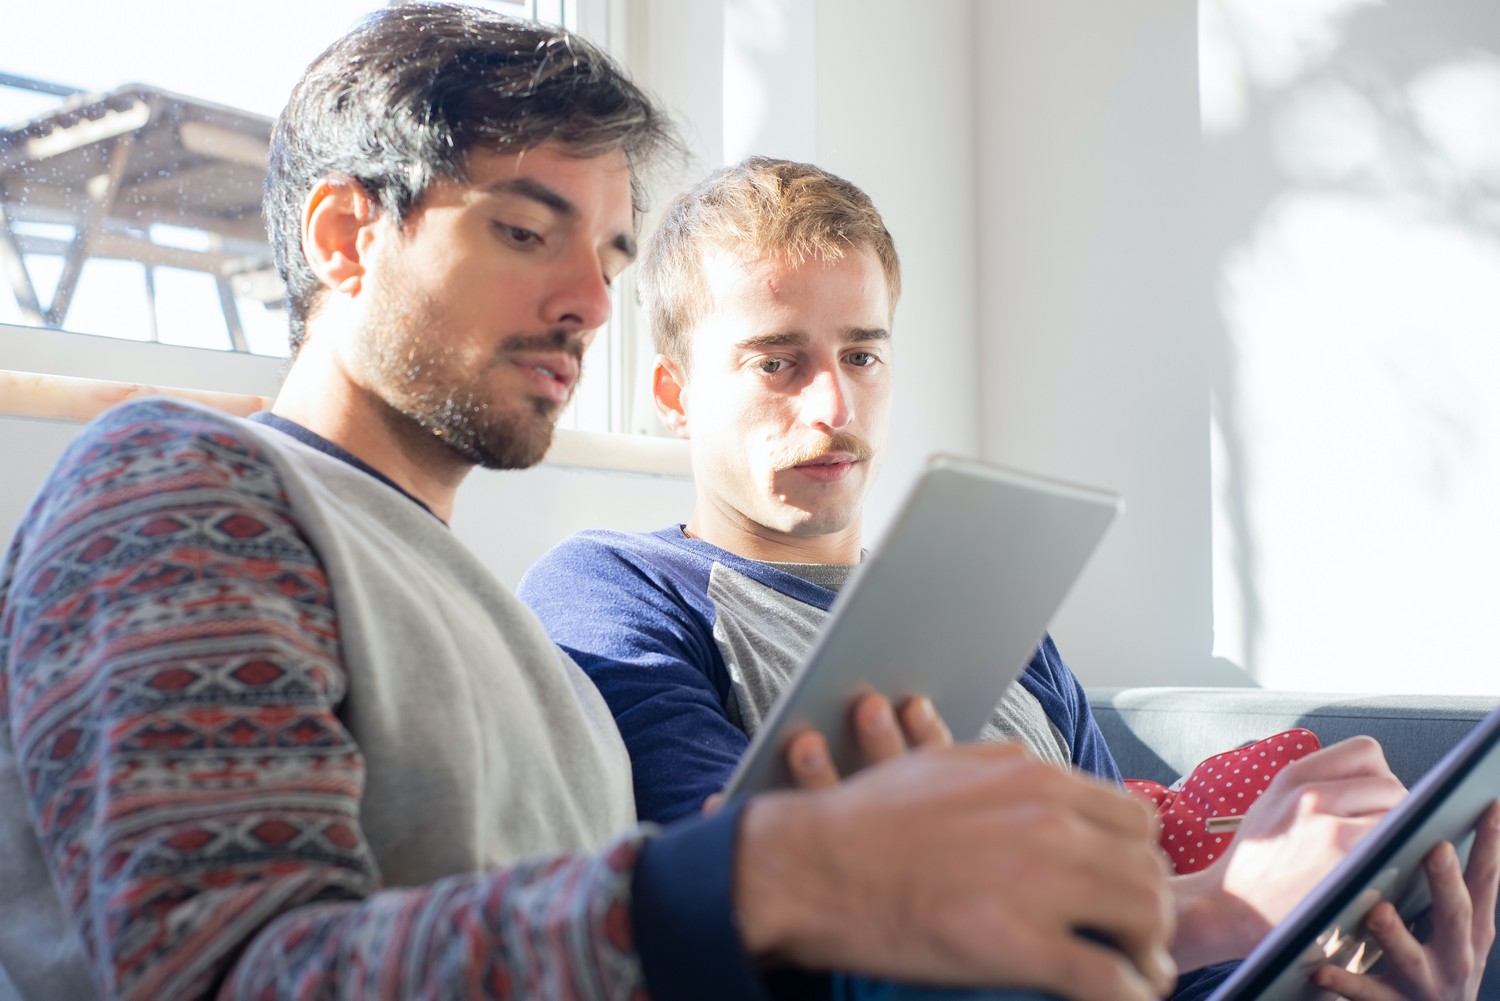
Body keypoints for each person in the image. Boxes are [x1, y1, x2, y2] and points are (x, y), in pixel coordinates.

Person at [0, 8, 1185, 1001]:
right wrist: (770, 876)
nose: (589, 301)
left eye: (611, 260)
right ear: (346, 236)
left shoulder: (537, 658)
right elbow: (227, 973)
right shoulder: (176, 479)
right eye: (525, 230)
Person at [517, 156, 1500, 1001]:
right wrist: (1218, 905)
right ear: (676, 395)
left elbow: (1148, 949)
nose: (833, 404)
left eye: (863, 353)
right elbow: (740, 919)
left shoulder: (992, 613)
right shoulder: (615, 588)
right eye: (778, 363)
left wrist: (1338, 966)